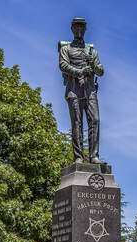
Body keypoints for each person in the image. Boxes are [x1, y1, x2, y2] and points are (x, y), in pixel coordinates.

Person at [59, 18, 104, 163]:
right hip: (74, 89)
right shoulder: (66, 49)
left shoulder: (91, 51)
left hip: (90, 90)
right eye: (76, 28)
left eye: (82, 28)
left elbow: (101, 71)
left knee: (95, 121)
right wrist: (79, 71)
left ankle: (94, 156)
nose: (79, 31)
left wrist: (93, 65)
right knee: (77, 123)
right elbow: (63, 65)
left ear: (85, 30)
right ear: (72, 30)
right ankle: (79, 157)